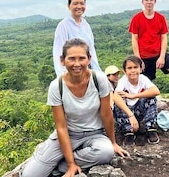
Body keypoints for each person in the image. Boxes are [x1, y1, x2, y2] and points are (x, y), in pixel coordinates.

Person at [21, 38, 129, 177]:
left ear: (89, 59)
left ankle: (61, 165)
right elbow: (61, 126)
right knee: (29, 175)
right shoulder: (57, 86)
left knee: (106, 152)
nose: (77, 64)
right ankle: (59, 158)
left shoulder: (99, 79)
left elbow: (106, 114)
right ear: (62, 60)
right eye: (71, 59)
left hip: (95, 133)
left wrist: (113, 142)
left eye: (81, 58)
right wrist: (72, 164)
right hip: (69, 135)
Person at [113, 55, 161, 146]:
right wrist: (131, 115)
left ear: (140, 69)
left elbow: (156, 91)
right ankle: (128, 131)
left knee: (151, 97)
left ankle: (150, 127)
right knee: (119, 101)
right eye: (129, 68)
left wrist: (134, 95)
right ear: (125, 70)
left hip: (139, 110)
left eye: (135, 67)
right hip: (127, 114)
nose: (133, 70)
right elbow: (115, 97)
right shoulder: (123, 81)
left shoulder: (143, 79)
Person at [53, 0, 101, 77]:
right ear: (69, 6)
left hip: (87, 72)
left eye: (82, 3)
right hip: (72, 72)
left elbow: (91, 50)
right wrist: (63, 77)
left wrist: (98, 73)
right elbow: (58, 52)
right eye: (75, 3)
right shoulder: (63, 26)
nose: (79, 7)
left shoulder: (86, 25)